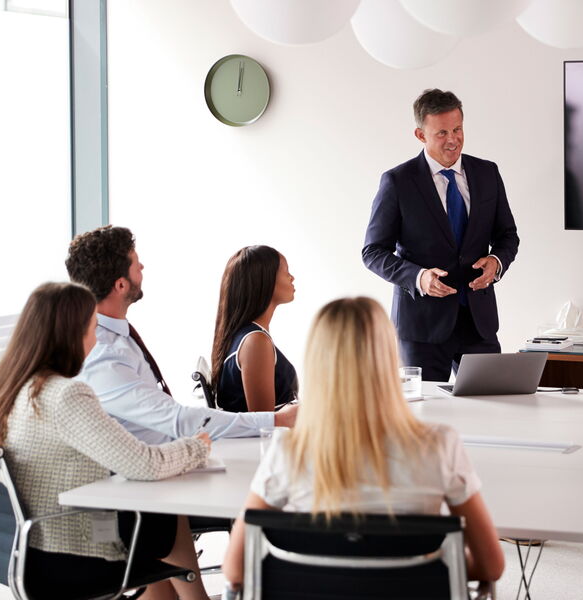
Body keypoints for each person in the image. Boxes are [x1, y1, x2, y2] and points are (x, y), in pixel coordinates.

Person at [221, 297, 505, 594]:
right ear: (389, 358)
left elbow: (235, 569)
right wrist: (436, 566)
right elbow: (490, 566)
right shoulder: (439, 445)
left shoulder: (288, 450)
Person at [0, 282, 212, 600]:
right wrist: (197, 446)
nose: (96, 339)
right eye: (93, 327)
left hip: (19, 548)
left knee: (149, 520)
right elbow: (145, 465)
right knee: (166, 508)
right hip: (70, 552)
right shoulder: (65, 394)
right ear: (72, 334)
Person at [66, 225, 296, 444]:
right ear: (121, 285)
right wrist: (277, 420)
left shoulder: (119, 338)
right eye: (136, 264)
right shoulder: (104, 352)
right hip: (158, 464)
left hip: (175, 455)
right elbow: (176, 419)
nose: (142, 267)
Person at [362, 88, 520, 381]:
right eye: (442, 133)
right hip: (422, 329)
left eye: (457, 129)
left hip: (479, 324)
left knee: (492, 403)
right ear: (420, 135)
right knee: (425, 409)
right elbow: (372, 252)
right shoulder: (398, 181)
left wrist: (496, 262)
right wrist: (419, 277)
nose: (453, 139)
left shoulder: (487, 173)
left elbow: (507, 235)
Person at [211, 245, 298, 413]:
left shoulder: (249, 336)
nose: (292, 277)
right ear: (265, 280)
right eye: (286, 271)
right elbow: (263, 422)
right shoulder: (255, 341)